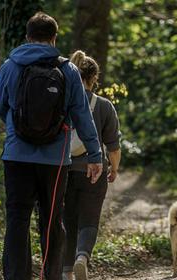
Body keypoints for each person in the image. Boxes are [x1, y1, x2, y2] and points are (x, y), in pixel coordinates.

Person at [0, 12, 103, 280]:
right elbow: (82, 114)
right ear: (54, 38)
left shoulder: (10, 66)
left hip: (17, 156)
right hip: (55, 160)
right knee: (52, 221)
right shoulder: (68, 70)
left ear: (27, 37)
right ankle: (51, 276)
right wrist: (94, 154)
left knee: (17, 220)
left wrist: (16, 126)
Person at [61, 51, 122, 280]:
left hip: (64, 169)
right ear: (94, 77)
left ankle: (66, 272)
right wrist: (114, 168)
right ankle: (82, 257)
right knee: (89, 220)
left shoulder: (63, 102)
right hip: (93, 170)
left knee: (67, 221)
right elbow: (113, 146)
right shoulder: (104, 106)